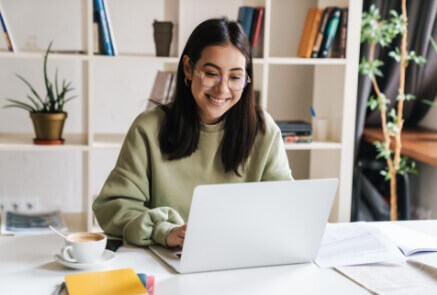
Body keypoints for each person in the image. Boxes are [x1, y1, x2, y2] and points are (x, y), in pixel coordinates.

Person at [93, 17, 293, 249]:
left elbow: (284, 208)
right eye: (211, 73)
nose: (222, 88)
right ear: (188, 68)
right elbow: (113, 207)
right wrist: (163, 231)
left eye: (235, 77)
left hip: (241, 257)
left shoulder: (264, 131)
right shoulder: (148, 128)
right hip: (167, 259)